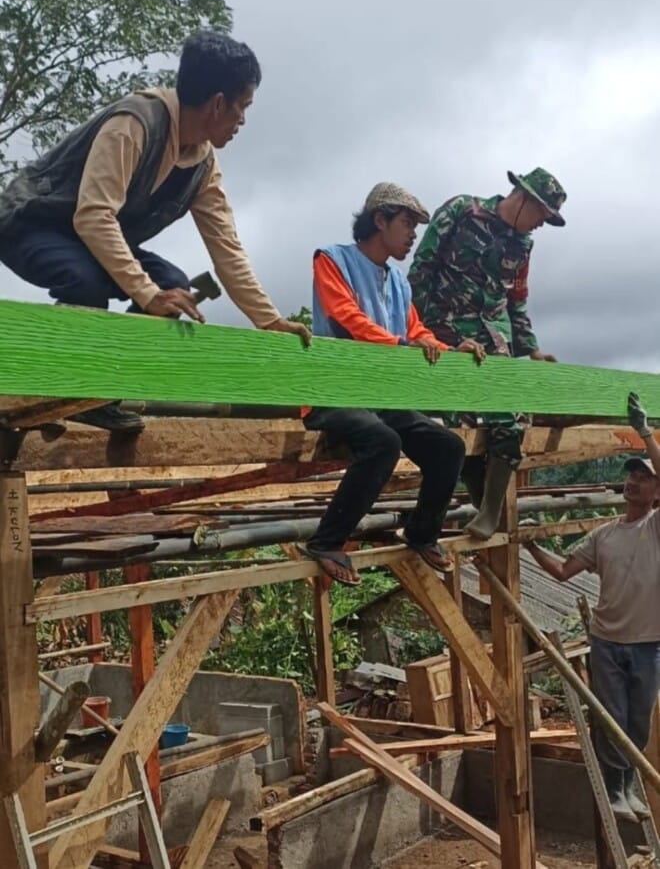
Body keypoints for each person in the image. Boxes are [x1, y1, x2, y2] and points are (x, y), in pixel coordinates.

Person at [0, 30, 310, 430]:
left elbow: (228, 251)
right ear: (218, 104)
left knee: (174, 286)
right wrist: (147, 295)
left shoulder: (202, 165)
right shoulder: (134, 124)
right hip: (30, 222)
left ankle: (99, 393)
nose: (243, 121)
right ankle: (44, 384)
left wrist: (270, 322)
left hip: (87, 236)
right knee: (86, 282)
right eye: (242, 107)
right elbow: (93, 216)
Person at [302, 182, 484, 586]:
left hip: (379, 396)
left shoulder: (399, 283)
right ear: (379, 220)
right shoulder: (331, 259)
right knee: (384, 442)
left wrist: (453, 349)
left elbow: (418, 333)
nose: (413, 235)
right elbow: (346, 316)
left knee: (448, 446)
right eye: (406, 223)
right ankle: (328, 542)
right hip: (333, 392)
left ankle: (422, 534)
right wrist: (401, 344)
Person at [408, 168, 566, 540]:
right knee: (461, 421)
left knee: (510, 417)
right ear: (524, 197)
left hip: (496, 339)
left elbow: (517, 300)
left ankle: (490, 510)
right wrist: (423, 333)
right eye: (541, 215)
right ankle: (481, 501)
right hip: (446, 332)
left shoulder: (523, 245)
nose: (541, 225)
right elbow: (421, 272)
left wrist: (532, 349)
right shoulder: (463, 211)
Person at [525, 392, 660, 823]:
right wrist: (531, 546)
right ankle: (616, 790)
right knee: (611, 717)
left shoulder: (655, 528)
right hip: (606, 641)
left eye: (643, 477)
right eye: (631, 477)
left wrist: (643, 432)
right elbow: (564, 570)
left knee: (637, 722)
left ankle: (627, 786)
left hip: (648, 643)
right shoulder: (603, 535)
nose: (633, 482)